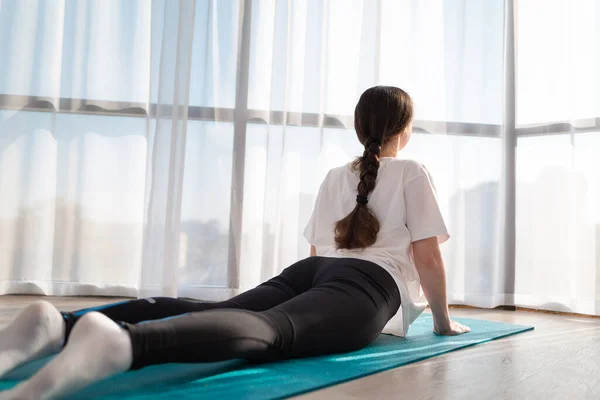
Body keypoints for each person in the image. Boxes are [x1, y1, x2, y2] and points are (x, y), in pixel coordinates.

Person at [0, 86, 469, 399]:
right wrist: (444, 324)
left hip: (312, 274)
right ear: (404, 130)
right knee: (273, 333)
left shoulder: (335, 174)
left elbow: (315, 255)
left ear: (359, 128)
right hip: (367, 284)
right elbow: (427, 257)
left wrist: (314, 289)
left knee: (222, 312)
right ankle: (125, 345)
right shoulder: (412, 171)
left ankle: (59, 325)